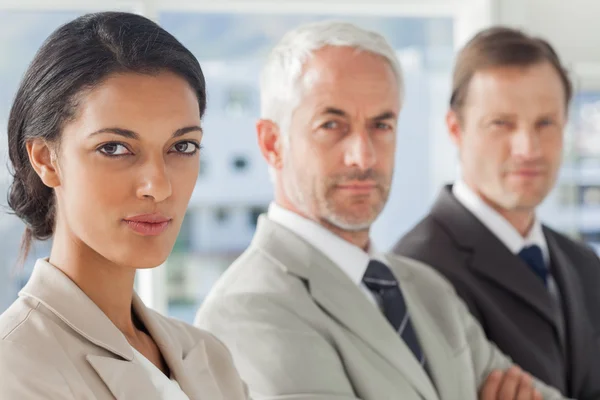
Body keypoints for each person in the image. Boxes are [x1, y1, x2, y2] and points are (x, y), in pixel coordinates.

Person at [194, 21, 568, 400]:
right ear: (273, 143)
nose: (364, 156)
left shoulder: (429, 290)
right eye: (332, 125)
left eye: (381, 125)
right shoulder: (249, 310)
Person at [0, 12, 248, 400]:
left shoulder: (211, 359)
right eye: (114, 148)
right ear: (46, 159)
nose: (159, 186)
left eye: (182, 146)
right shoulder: (13, 367)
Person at [393, 26, 600, 399]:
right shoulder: (415, 272)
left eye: (545, 123)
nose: (528, 148)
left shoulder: (584, 264)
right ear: (455, 130)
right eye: (501, 124)